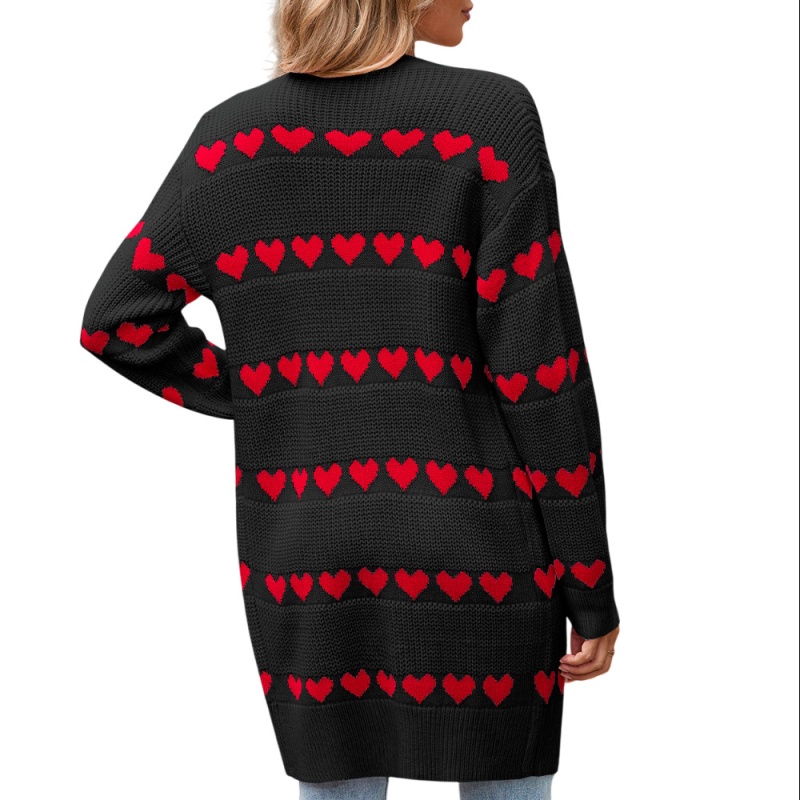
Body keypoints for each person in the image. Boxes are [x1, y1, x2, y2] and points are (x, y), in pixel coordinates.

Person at [78, 1, 621, 798]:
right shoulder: (488, 117)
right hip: (478, 549)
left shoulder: (229, 141)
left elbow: (117, 320)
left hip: (306, 550)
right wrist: (589, 585)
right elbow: (541, 373)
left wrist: (274, 392)